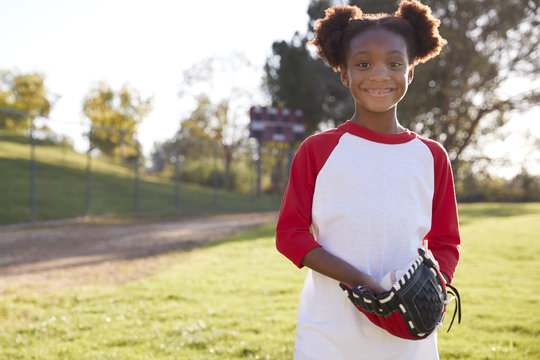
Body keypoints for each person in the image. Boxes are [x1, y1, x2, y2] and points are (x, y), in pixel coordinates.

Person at [275, 1, 461, 359]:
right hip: (329, 330)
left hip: (408, 333)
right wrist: (363, 282)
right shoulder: (318, 150)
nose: (379, 75)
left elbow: (446, 241)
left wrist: (434, 287)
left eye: (394, 64)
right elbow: (290, 235)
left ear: (410, 73)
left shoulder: (432, 156)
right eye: (363, 64)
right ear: (344, 73)